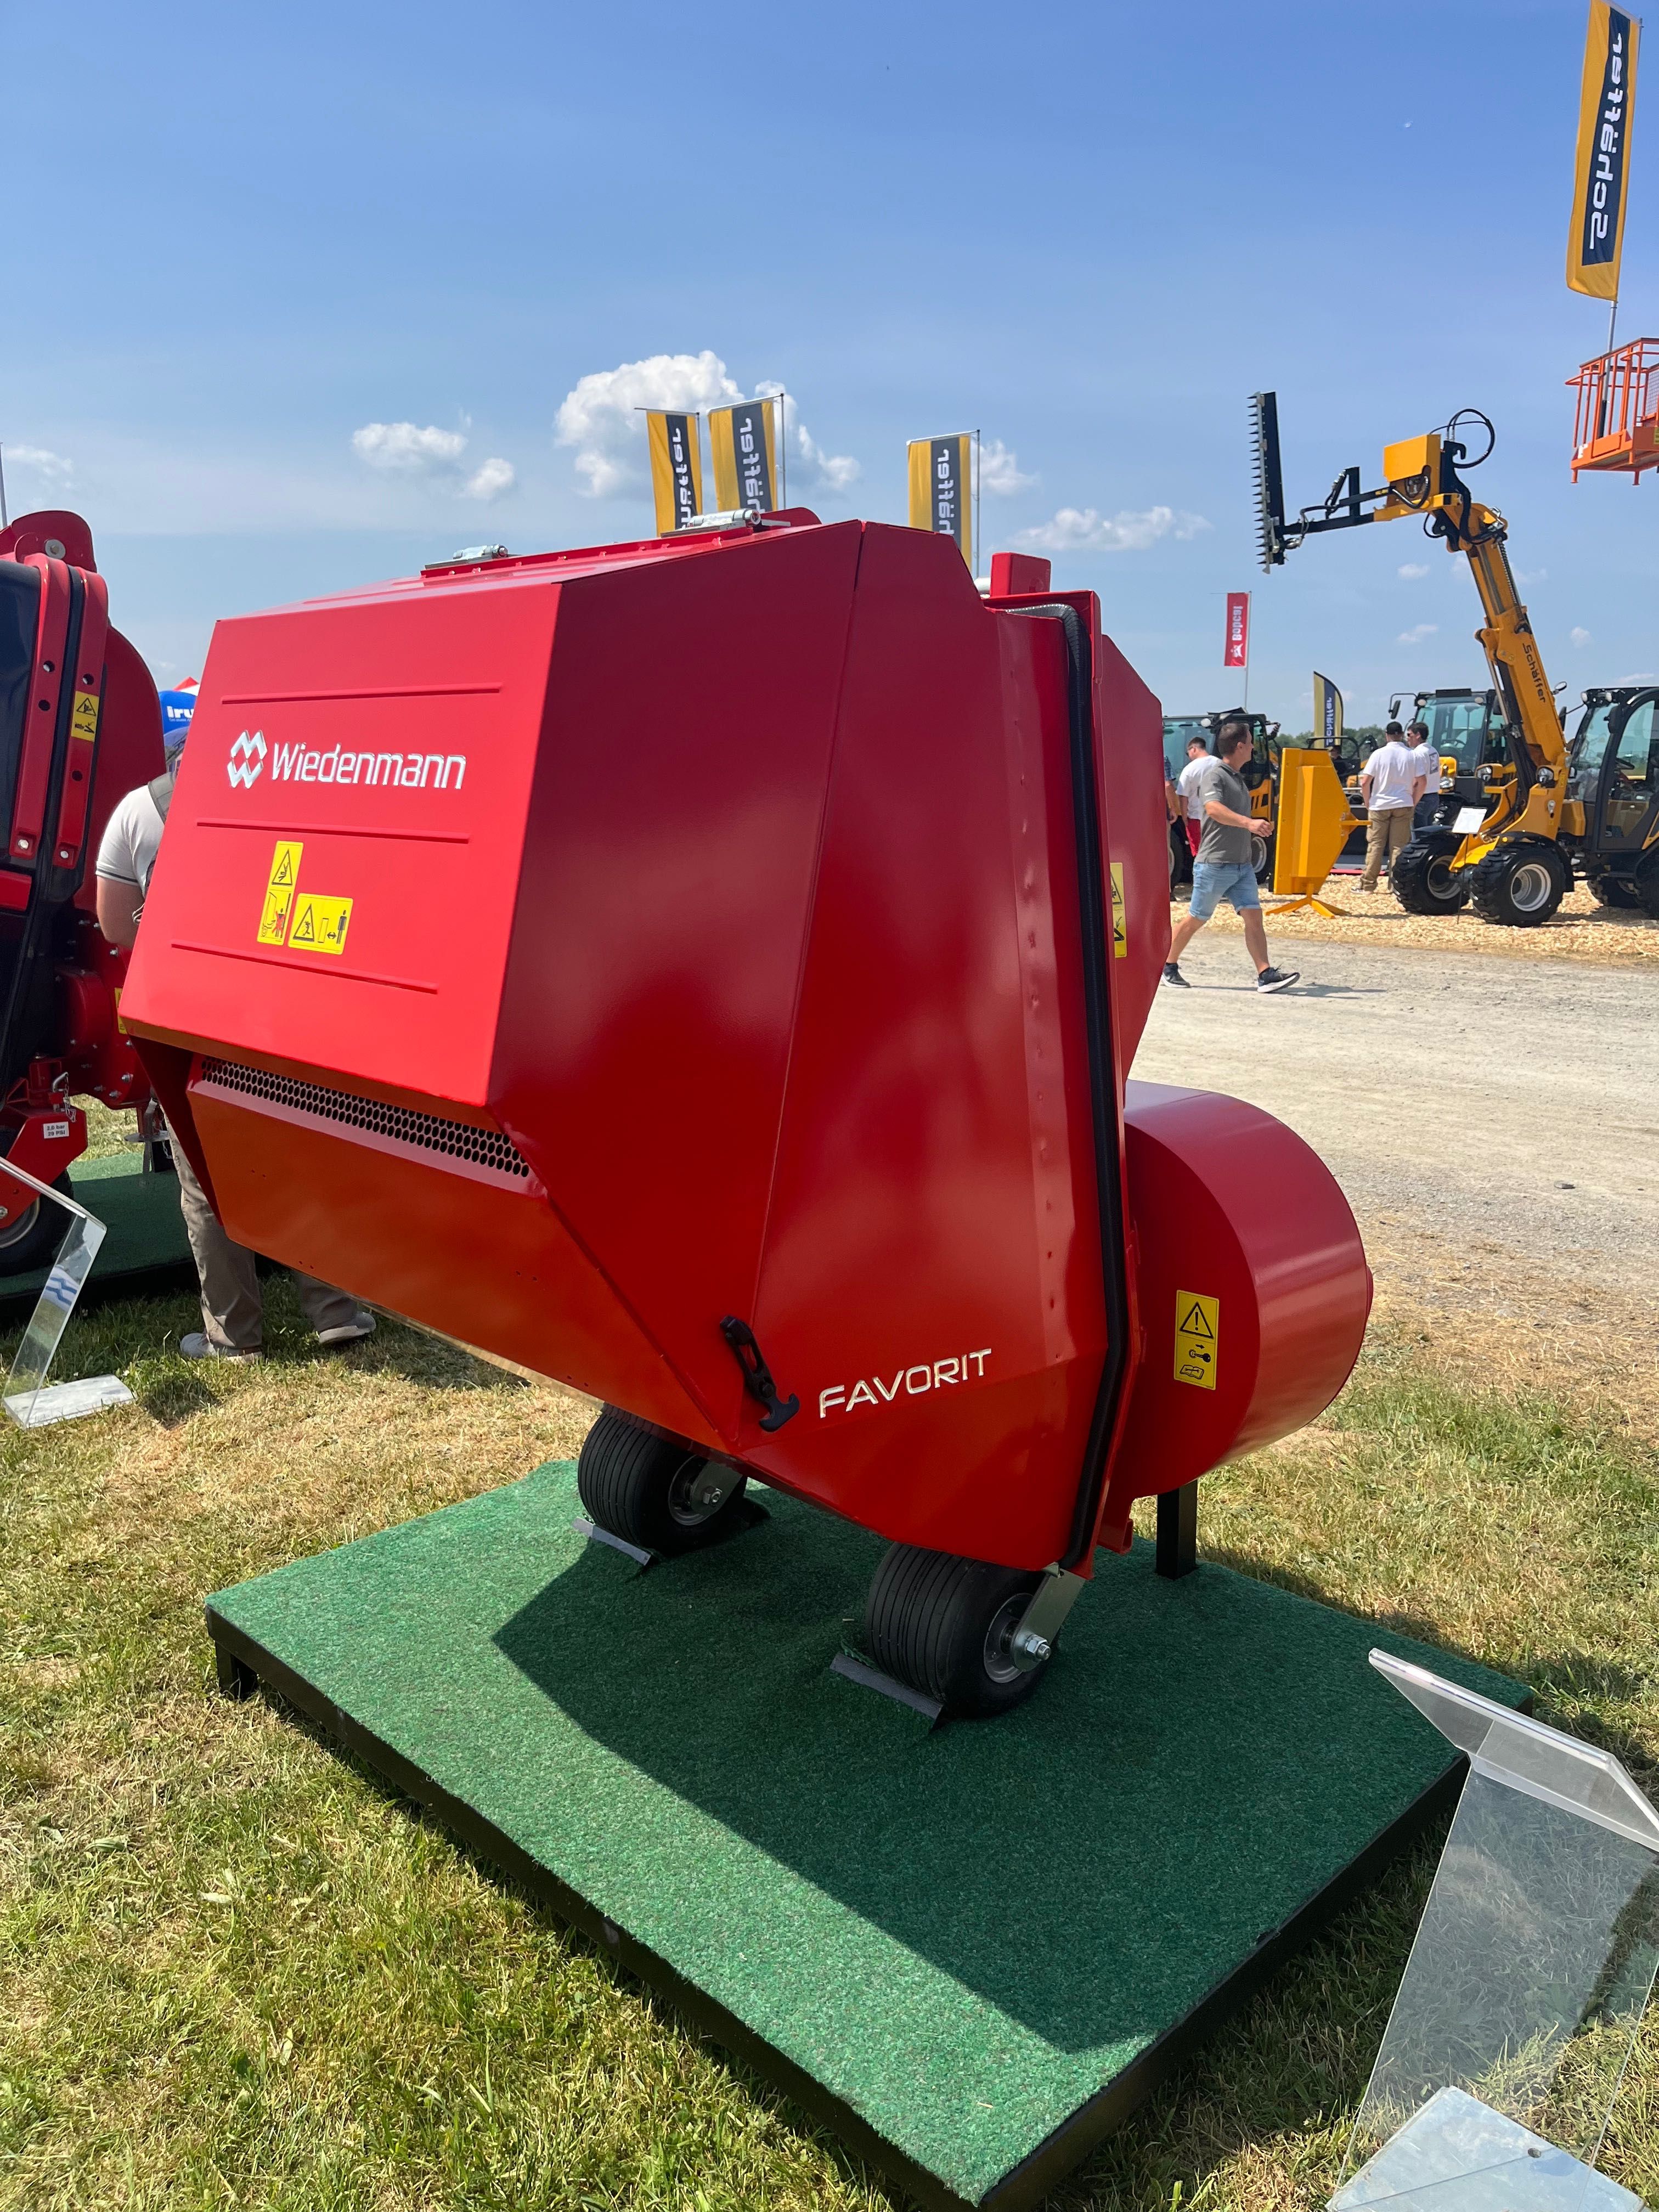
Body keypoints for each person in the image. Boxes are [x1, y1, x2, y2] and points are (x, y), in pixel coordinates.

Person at [94, 737, 376, 1363]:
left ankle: (235, 1336)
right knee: (302, 1153)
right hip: (274, 1010)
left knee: (203, 1172)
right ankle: (335, 1312)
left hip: (186, 1015)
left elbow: (115, 926)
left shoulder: (136, 814)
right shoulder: (277, 798)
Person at [1163, 719, 1300, 993]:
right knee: (1197, 918)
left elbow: (1230, 815)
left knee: (1253, 916)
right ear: (1240, 746)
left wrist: (1255, 824)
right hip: (1215, 863)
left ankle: (1265, 974)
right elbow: (1212, 809)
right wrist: (1250, 824)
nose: (1252, 747)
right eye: (1250, 742)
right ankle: (1167, 965)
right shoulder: (1215, 774)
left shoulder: (1236, 776)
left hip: (1241, 864)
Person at [1359, 720, 1425, 891]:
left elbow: (1365, 781)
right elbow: (1422, 782)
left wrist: (1368, 801)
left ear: (1386, 735)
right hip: (1404, 803)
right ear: (1402, 735)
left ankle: (1368, 885)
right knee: (1399, 847)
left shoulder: (1378, 754)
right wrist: (1414, 801)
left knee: (1375, 845)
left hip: (1379, 804)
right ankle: (1396, 885)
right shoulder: (1412, 755)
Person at [1175, 734, 1211, 858]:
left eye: (1188, 753)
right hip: (1219, 819)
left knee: (1200, 855)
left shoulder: (1190, 769)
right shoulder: (1220, 765)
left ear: (1194, 749)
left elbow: (1183, 796)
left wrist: (1185, 818)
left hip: (1197, 818)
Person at [1407, 718, 1442, 830]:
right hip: (1434, 796)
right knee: (1428, 831)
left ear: (1418, 735)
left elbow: (1417, 779)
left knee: (1419, 834)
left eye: (1410, 735)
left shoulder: (1418, 754)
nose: (1407, 739)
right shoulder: (1433, 751)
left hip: (1422, 798)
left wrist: (1412, 801)